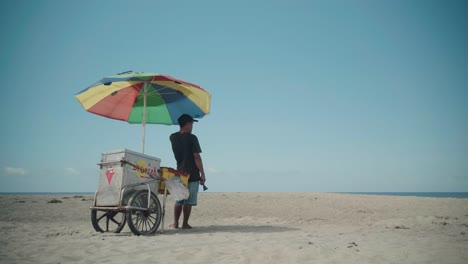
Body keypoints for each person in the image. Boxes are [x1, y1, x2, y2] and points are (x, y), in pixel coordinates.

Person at [169, 114, 206, 229]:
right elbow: (196, 157)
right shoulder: (192, 138)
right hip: (192, 173)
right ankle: (185, 223)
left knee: (179, 199)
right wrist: (203, 174)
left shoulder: (172, 137)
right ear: (188, 124)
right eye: (192, 123)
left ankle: (175, 223)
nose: (192, 126)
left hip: (179, 171)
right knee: (188, 200)